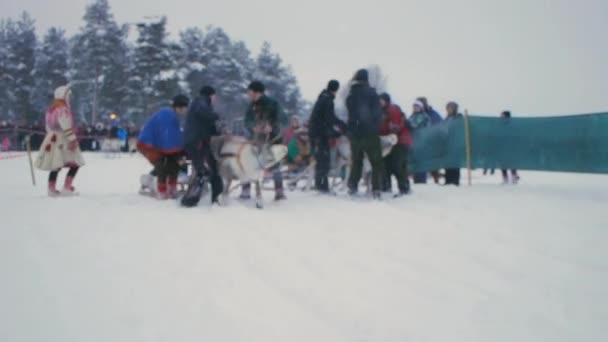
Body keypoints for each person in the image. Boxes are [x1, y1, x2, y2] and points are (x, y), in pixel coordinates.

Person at [35, 85, 85, 197]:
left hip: (52, 138)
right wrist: (72, 139)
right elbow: (66, 126)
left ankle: (51, 189)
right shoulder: (63, 109)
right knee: (75, 163)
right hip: (63, 139)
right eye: (69, 96)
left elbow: (48, 127)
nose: (70, 98)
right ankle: (67, 188)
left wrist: (52, 135)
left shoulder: (51, 109)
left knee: (56, 164)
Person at [241, 81, 288, 201]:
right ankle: (245, 189)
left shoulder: (272, 103)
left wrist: (271, 126)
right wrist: (253, 126)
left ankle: (279, 191)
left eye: (249, 91)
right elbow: (247, 120)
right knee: (248, 161)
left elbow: (283, 119)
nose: (248, 94)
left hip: (273, 138)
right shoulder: (251, 105)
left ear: (257, 92)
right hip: (256, 139)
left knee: (274, 164)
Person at [137, 95, 190, 199]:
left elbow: (174, 135)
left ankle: (169, 188)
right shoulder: (168, 115)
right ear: (179, 107)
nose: (185, 111)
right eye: (185, 108)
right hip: (149, 144)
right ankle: (162, 190)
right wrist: (180, 148)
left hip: (151, 144)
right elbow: (168, 136)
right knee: (164, 165)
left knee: (172, 163)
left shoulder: (170, 114)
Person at [182, 86, 224, 206]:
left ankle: (216, 196)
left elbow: (210, 127)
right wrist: (216, 115)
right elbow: (203, 113)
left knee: (213, 168)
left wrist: (219, 131)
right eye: (214, 96)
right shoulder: (200, 101)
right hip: (196, 141)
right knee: (203, 170)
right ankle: (191, 197)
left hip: (200, 141)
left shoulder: (204, 105)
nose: (215, 99)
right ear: (210, 95)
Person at [345, 69, 384, 199]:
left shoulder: (351, 94)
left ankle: (352, 186)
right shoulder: (372, 93)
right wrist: (374, 127)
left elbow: (350, 114)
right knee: (376, 162)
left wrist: (352, 130)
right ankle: (376, 188)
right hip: (370, 134)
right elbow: (378, 115)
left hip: (355, 134)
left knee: (357, 161)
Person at [308, 80, 346, 193]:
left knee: (321, 160)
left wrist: (340, 124)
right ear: (336, 90)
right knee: (323, 161)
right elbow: (329, 120)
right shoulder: (327, 100)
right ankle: (321, 187)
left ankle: (321, 185)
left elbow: (329, 118)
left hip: (316, 133)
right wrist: (337, 132)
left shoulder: (323, 98)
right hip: (319, 134)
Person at [379, 93, 412, 196]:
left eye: (382, 100)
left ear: (386, 101)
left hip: (400, 141)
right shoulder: (382, 111)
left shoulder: (392, 110)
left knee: (398, 165)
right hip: (389, 141)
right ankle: (385, 186)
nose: (380, 102)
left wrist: (391, 131)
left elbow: (396, 126)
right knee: (386, 164)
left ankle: (404, 188)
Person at [409, 100, 431, 184]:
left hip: (422, 141)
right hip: (414, 141)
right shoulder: (412, 116)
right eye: (414, 106)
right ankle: (416, 178)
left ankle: (422, 179)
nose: (415, 108)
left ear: (421, 107)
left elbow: (414, 125)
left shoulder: (424, 116)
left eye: (417, 106)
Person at [444, 102, 464, 186]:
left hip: (456, 143)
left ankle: (455, 181)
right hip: (447, 143)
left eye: (450, 108)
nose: (448, 110)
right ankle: (448, 180)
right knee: (447, 162)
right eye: (447, 108)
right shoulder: (446, 118)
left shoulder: (459, 118)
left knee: (455, 163)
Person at [500, 110, 521, 184]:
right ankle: (505, 178)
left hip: (511, 148)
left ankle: (514, 176)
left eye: (503, 116)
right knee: (503, 163)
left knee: (512, 162)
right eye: (501, 116)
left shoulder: (512, 125)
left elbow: (516, 137)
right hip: (502, 148)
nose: (501, 117)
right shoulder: (500, 126)